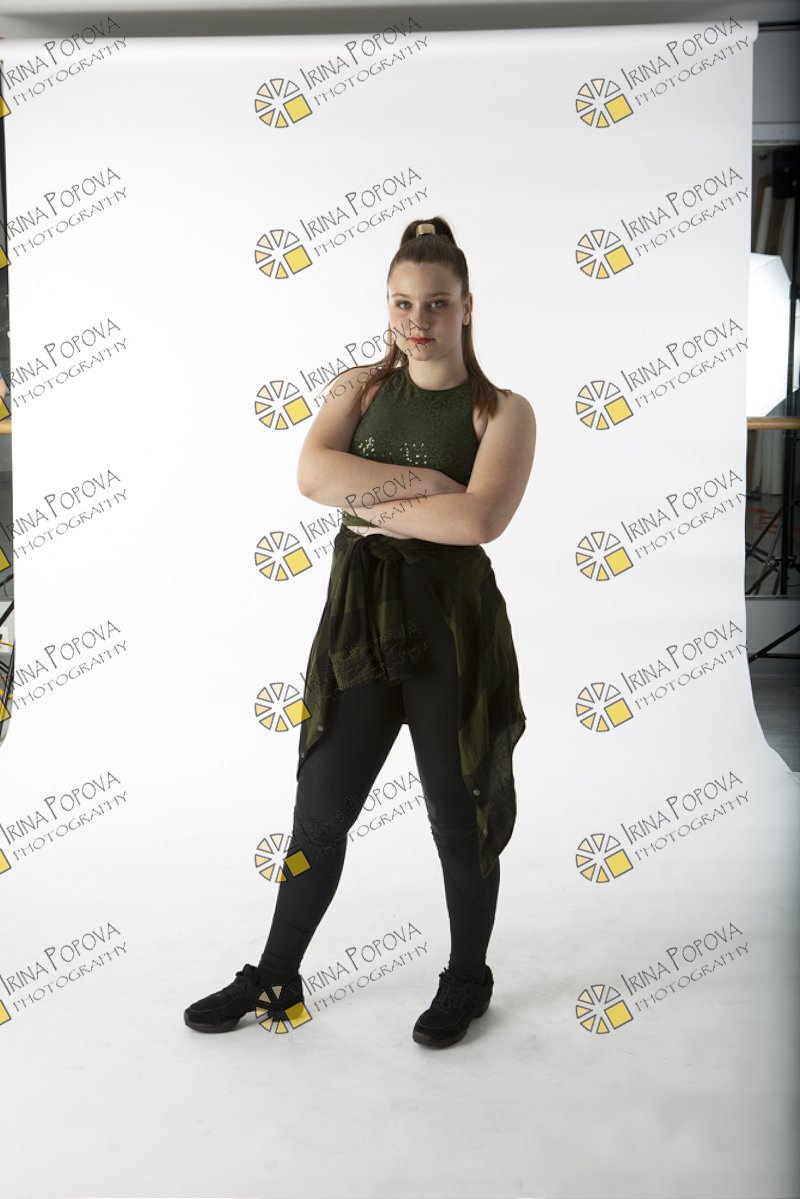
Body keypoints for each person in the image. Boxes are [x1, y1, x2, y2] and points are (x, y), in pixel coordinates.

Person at [184, 216, 536, 1047]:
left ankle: (468, 977)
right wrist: (432, 488)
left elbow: (479, 520)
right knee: (319, 810)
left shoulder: (503, 411)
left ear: (467, 306)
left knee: (458, 812)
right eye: (402, 303)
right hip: (360, 624)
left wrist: (372, 502)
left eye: (437, 303)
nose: (418, 320)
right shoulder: (359, 389)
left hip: (450, 633)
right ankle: (277, 973)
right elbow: (314, 475)